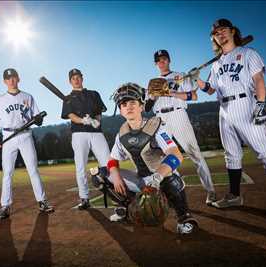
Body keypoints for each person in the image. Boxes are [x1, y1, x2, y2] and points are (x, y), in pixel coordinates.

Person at [195, 18, 266, 217]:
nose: (220, 34)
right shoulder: (216, 63)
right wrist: (197, 80)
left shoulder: (248, 53)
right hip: (224, 110)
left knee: (265, 152)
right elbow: (211, 90)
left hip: (246, 104)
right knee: (231, 155)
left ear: (232, 32)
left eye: (223, 30)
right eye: (216, 33)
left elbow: (259, 79)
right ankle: (234, 195)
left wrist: (262, 104)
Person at [99, 82, 198, 234]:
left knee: (171, 180)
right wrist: (116, 176)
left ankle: (184, 217)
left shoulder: (156, 126)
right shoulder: (122, 133)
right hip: (141, 179)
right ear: (120, 110)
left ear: (141, 106)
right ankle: (127, 209)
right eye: (124, 104)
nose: (129, 107)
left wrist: (157, 178)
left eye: (133, 102)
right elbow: (112, 160)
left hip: (161, 179)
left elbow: (176, 154)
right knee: (101, 175)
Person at [145, 49, 216, 205]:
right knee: (163, 157)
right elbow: (147, 107)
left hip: (178, 115)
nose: (161, 62)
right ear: (155, 63)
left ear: (169, 60)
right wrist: (153, 95)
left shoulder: (180, 75)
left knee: (194, 153)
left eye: (164, 59)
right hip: (160, 119)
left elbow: (194, 95)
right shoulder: (152, 82)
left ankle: (210, 191)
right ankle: (174, 190)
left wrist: (171, 93)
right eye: (158, 60)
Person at [0, 68, 54, 220]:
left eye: (13, 77)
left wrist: (39, 119)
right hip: (8, 135)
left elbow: (36, 117)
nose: (11, 80)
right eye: (8, 78)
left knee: (33, 169)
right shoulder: (0, 99)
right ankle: (5, 206)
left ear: (18, 79)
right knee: (7, 173)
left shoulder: (28, 97)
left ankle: (42, 201)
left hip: (25, 135)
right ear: (4, 81)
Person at [61, 68, 110, 209]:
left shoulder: (94, 94)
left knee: (107, 163)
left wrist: (97, 121)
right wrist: (83, 121)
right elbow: (70, 116)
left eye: (78, 77)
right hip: (79, 134)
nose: (76, 80)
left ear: (82, 78)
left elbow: (99, 112)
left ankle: (114, 191)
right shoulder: (67, 98)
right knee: (80, 167)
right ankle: (84, 198)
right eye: (73, 78)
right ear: (70, 81)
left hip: (96, 133)